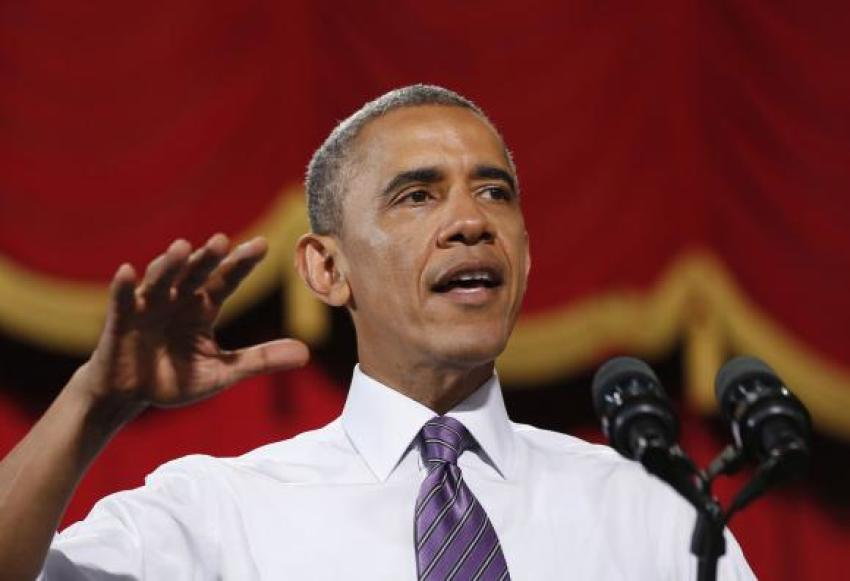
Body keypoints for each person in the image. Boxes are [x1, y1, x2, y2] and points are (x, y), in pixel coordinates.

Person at [0, 85, 755, 580]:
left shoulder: (649, 512)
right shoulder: (218, 514)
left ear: (525, 253)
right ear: (327, 269)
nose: (471, 222)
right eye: (418, 195)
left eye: (494, 192)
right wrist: (92, 404)